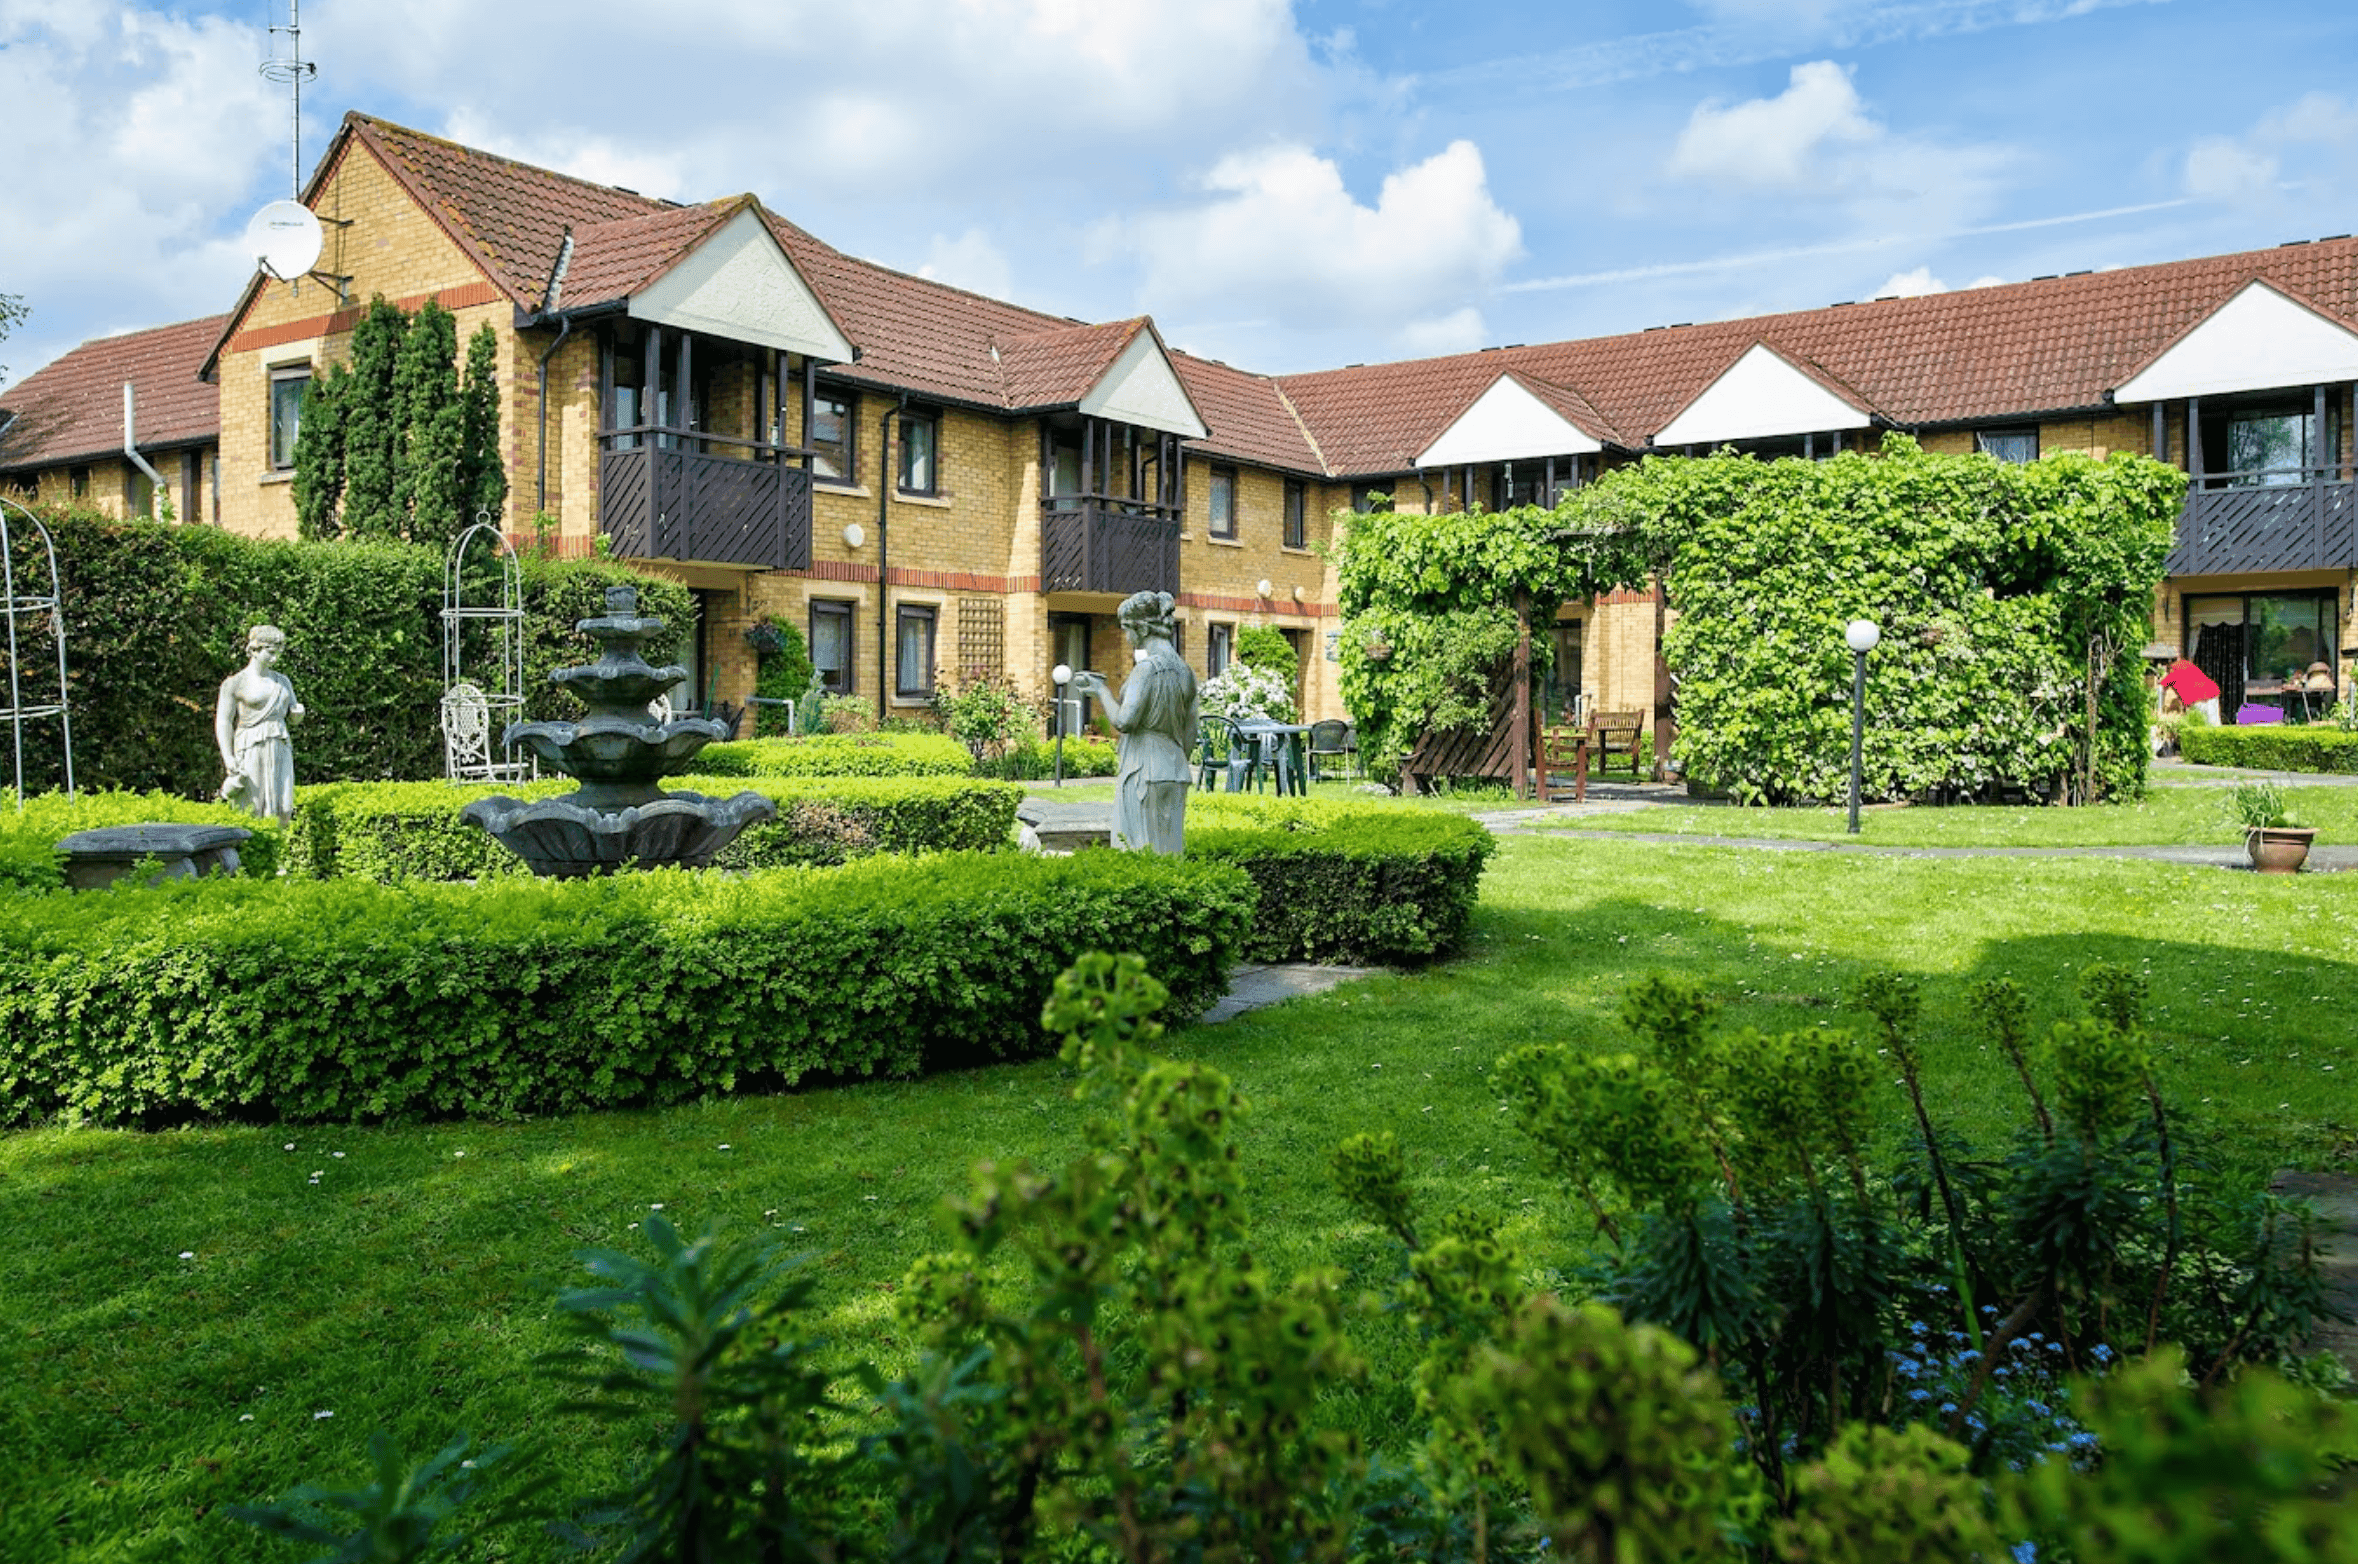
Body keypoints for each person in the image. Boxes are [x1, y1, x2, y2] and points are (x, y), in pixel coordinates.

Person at [1068, 591, 1199, 855]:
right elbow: (1190, 734)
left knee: (1138, 850)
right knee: (1171, 852)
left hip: (1143, 769)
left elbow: (1124, 721)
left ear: (1141, 628)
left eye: (1127, 629)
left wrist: (1100, 691)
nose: (1126, 637)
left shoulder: (1146, 670)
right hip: (1175, 769)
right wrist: (1174, 758)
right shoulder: (1186, 672)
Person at [215, 625, 304, 822]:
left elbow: (294, 717)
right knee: (252, 806)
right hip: (250, 744)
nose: (275, 659)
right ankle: (250, 850)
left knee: (284, 807)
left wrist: (298, 713)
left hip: (280, 743)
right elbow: (223, 721)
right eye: (270, 653)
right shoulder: (235, 683)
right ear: (254, 650)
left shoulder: (282, 681)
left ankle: (278, 848)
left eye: (278, 653)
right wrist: (228, 756)